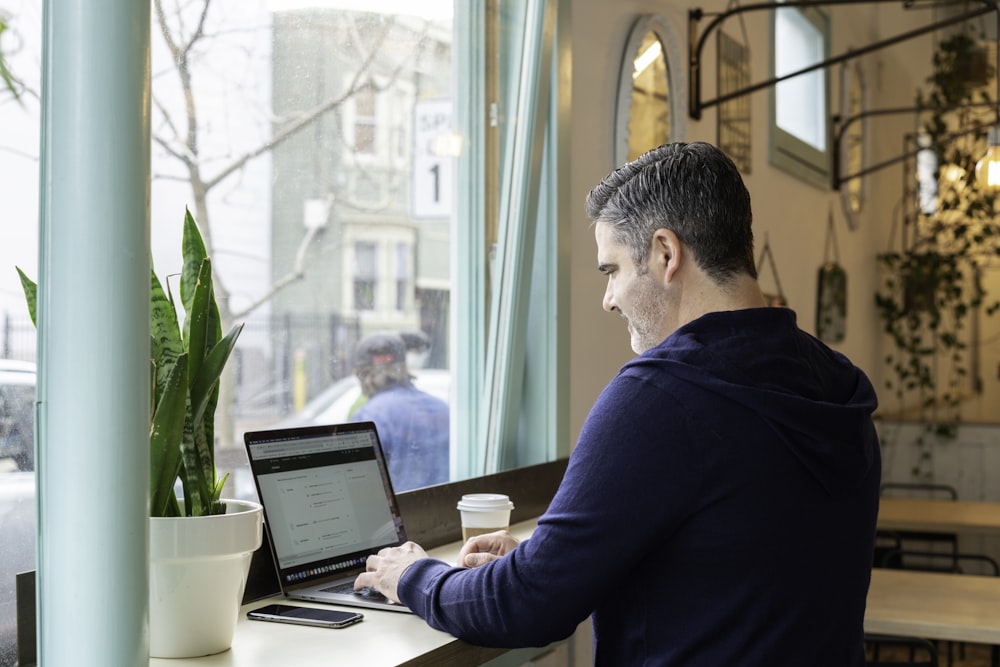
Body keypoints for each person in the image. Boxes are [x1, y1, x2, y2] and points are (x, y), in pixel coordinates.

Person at [354, 142, 881, 665]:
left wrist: (413, 576)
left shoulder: (662, 395)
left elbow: (527, 606)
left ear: (666, 254)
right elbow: (744, 564)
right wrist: (556, 563)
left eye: (612, 270)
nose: (608, 298)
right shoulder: (834, 383)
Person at [350, 331, 449, 492]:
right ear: (403, 367)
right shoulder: (442, 407)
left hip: (404, 513)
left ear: (363, 374)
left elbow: (359, 487)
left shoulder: (368, 417)